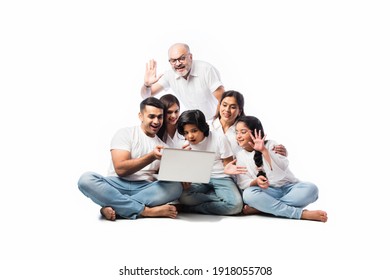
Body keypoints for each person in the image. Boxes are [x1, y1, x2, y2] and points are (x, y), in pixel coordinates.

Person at [78, 97, 183, 221]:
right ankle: (145, 211)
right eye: (151, 116)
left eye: (159, 117)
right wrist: (151, 156)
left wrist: (182, 170)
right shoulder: (125, 134)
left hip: (144, 188)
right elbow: (121, 169)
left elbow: (165, 175)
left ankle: (114, 207)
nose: (156, 121)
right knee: (86, 179)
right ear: (141, 116)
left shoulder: (164, 147)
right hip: (116, 184)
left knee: (176, 187)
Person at [225, 116, 328, 222]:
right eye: (236, 132)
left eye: (243, 132)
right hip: (268, 192)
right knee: (248, 195)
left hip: (289, 188)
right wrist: (256, 181)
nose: (238, 136)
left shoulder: (272, 145)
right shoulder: (240, 156)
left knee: (312, 189)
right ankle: (300, 214)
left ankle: (262, 208)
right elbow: (243, 183)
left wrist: (264, 151)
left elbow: (279, 174)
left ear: (255, 132)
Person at [176, 109, 243, 215]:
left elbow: (228, 165)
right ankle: (217, 198)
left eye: (194, 131)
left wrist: (230, 169)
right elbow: (183, 171)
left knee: (236, 206)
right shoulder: (184, 145)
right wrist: (184, 158)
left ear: (202, 128)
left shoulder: (219, 138)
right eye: (186, 132)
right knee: (183, 197)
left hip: (221, 177)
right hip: (199, 179)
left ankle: (193, 209)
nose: (190, 136)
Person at [141, 43, 225, 120]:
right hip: (195, 124)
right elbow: (147, 95)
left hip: (216, 120)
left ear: (190, 57)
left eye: (182, 58)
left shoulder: (206, 69)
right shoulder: (169, 75)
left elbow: (223, 100)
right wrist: (147, 85)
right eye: (173, 60)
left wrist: (217, 123)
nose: (178, 64)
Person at [209, 90, 287, 156]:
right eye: (224, 105)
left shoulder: (244, 130)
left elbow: (258, 147)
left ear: (239, 111)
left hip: (236, 172)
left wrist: (278, 152)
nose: (227, 110)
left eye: (233, 107)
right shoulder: (207, 126)